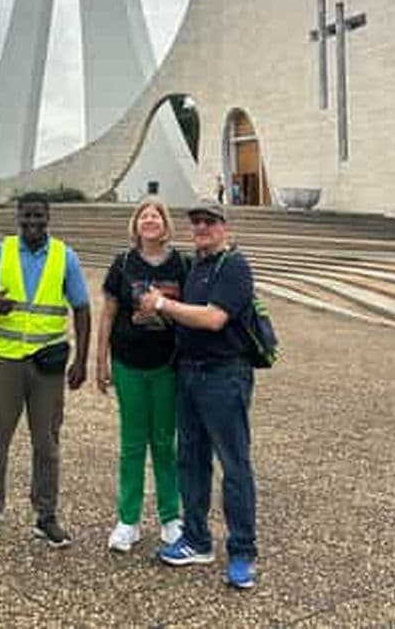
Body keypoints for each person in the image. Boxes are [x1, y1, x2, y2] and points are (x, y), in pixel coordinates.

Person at [137, 198, 259, 590]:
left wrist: (162, 303)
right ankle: (197, 539)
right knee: (190, 459)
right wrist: (151, 313)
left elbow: (213, 318)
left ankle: (242, 551)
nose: (202, 228)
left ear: (225, 227)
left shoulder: (234, 266)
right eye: (197, 222)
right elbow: (184, 317)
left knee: (234, 464)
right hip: (189, 374)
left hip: (225, 376)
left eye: (209, 221)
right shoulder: (198, 266)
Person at [0, 192, 91, 549]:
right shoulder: (0, 252)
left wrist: (81, 359)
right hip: (5, 359)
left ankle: (46, 516)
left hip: (47, 364)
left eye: (38, 216)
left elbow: (82, 308)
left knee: (47, 443)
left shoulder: (64, 256)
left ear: (48, 216)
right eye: (26, 217)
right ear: (18, 218)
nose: (32, 223)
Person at [96, 196, 186, 553]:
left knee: (165, 441)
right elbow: (107, 313)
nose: (150, 221)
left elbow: (190, 310)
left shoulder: (182, 264)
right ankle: (128, 520)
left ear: (165, 225)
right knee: (132, 443)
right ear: (136, 225)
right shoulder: (122, 263)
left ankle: (170, 517)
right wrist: (100, 360)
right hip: (128, 363)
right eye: (144, 216)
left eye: (156, 216)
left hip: (167, 365)